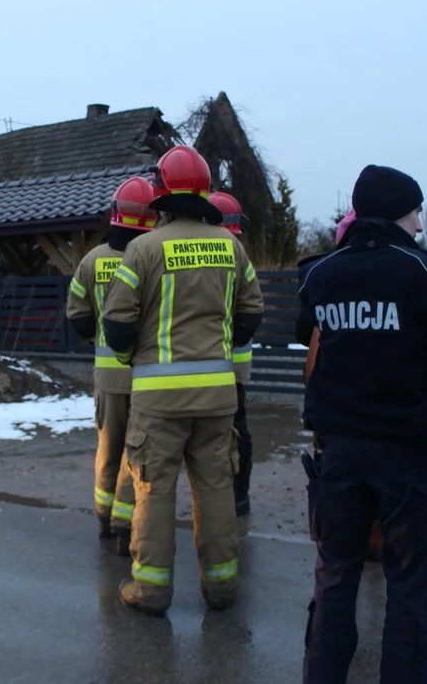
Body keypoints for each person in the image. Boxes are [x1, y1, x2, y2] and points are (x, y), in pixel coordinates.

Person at [296, 165, 427, 683]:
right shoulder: (426, 273)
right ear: (396, 213)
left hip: (338, 456)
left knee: (335, 580)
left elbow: (307, 331)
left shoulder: (322, 274)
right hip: (408, 460)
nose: (421, 223)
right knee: (408, 589)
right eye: (416, 211)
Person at [102, 145, 264, 615]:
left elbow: (116, 323)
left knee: (154, 490)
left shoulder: (142, 248)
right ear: (205, 191)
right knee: (215, 487)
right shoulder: (229, 245)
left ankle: (151, 590)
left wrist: (137, 358)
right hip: (218, 396)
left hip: (157, 400)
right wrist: (222, 346)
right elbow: (252, 310)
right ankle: (222, 589)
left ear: (162, 190)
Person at [65, 175, 158, 552]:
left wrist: (97, 340)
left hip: (107, 375)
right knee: (137, 451)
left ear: (115, 214)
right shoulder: (152, 257)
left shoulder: (91, 261)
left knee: (109, 446)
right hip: (146, 375)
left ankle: (104, 518)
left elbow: (77, 316)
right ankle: (126, 523)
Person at [307, 206, 385, 562]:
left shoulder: (325, 283)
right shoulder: (402, 280)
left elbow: (313, 363)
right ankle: (375, 538)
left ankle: (355, 538)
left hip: (338, 419)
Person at [207, 191, 255, 523]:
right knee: (238, 437)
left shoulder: (217, 258)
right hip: (232, 371)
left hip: (210, 367)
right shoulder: (239, 258)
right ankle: (238, 498)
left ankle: (223, 498)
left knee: (211, 442)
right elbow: (252, 313)